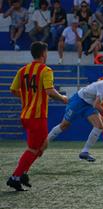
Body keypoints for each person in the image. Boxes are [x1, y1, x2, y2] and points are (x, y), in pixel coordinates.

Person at [6, 41, 68, 191]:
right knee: (34, 149)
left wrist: (28, 97)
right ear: (43, 54)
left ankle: (23, 173)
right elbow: (50, 91)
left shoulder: (22, 70)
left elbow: (13, 90)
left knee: (43, 144)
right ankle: (15, 177)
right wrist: (63, 98)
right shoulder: (45, 70)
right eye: (46, 52)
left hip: (26, 115)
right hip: (37, 116)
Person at [47, 72, 103, 161]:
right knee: (64, 125)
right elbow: (96, 105)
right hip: (79, 101)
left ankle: (84, 152)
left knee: (99, 126)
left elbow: (95, 103)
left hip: (88, 105)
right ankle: (44, 142)